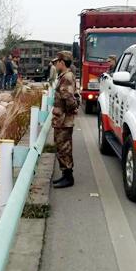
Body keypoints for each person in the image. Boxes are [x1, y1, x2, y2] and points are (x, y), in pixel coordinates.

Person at [52, 51, 79, 188]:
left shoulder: (66, 77)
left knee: (64, 148)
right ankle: (65, 174)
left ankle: (68, 177)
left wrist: (71, 110)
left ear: (62, 62)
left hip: (63, 120)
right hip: (62, 119)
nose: (56, 65)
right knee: (62, 147)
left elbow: (68, 97)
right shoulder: (65, 76)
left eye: (57, 62)